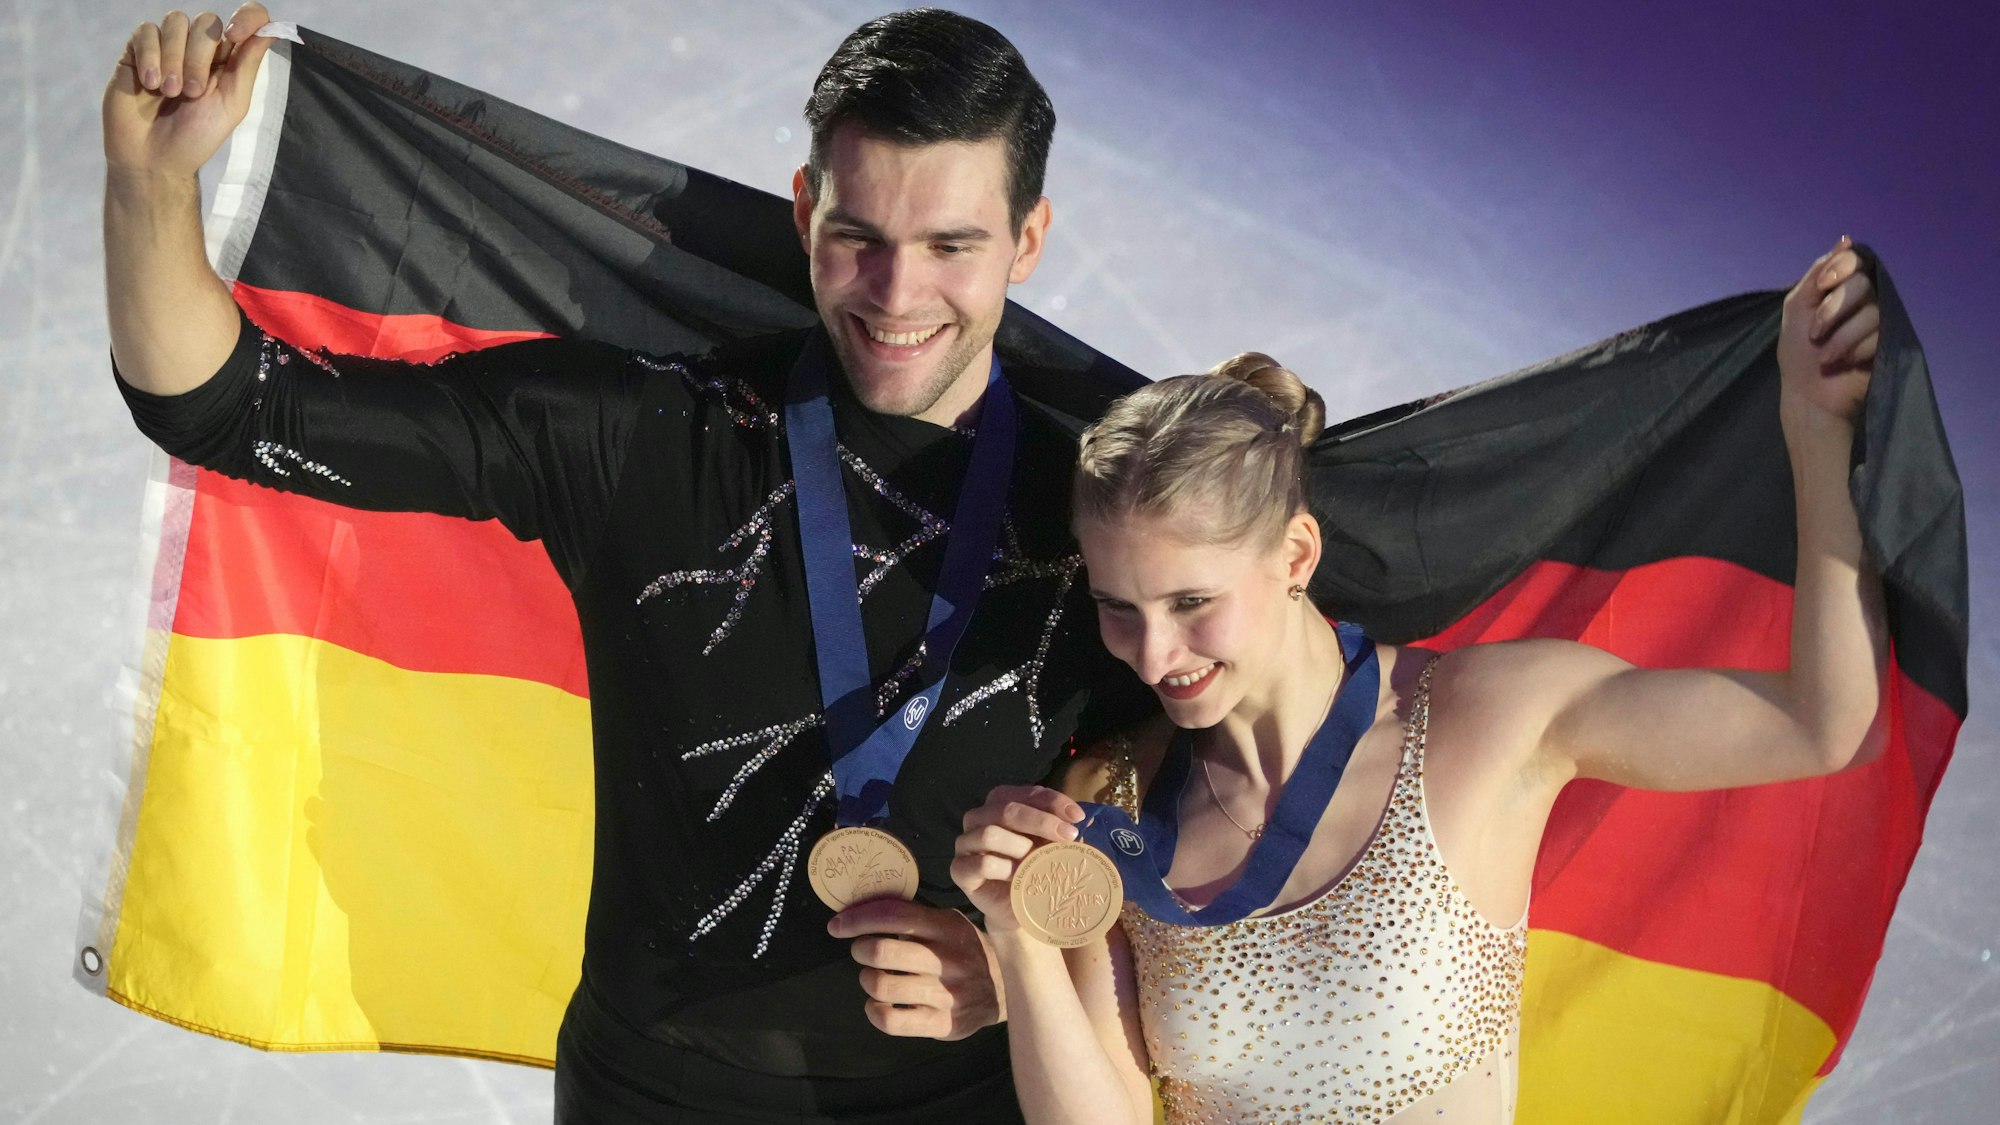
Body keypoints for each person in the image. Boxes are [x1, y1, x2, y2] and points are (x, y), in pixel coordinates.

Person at [104, 5, 1144, 1122]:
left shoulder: (1103, 517)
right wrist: (148, 184)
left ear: (1026, 240)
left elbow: (1190, 781)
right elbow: (229, 411)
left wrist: (1020, 972)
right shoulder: (642, 436)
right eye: (859, 238)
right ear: (804, 213)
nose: (895, 296)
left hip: (955, 1104)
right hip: (644, 1097)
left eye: (951, 245)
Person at [951, 241, 1885, 1123]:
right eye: (1120, 607)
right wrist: (1016, 935)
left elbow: (1818, 722)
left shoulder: (1494, 717)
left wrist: (1813, 435)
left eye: (1192, 600)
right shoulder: (1112, 801)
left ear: (1296, 553)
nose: (1155, 655)